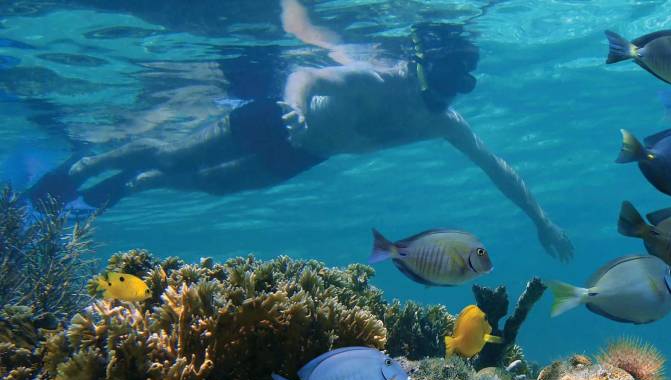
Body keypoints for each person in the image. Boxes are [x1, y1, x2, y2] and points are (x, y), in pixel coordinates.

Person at [32, 11, 573, 261]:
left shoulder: (443, 121)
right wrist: (292, 109)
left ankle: (130, 187)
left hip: (304, 154)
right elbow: (305, 75)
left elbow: (497, 166)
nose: (456, 93)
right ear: (427, 64)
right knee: (176, 152)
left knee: (218, 187)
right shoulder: (378, 78)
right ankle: (80, 170)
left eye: (465, 85)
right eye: (454, 78)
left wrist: (542, 221)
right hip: (277, 119)